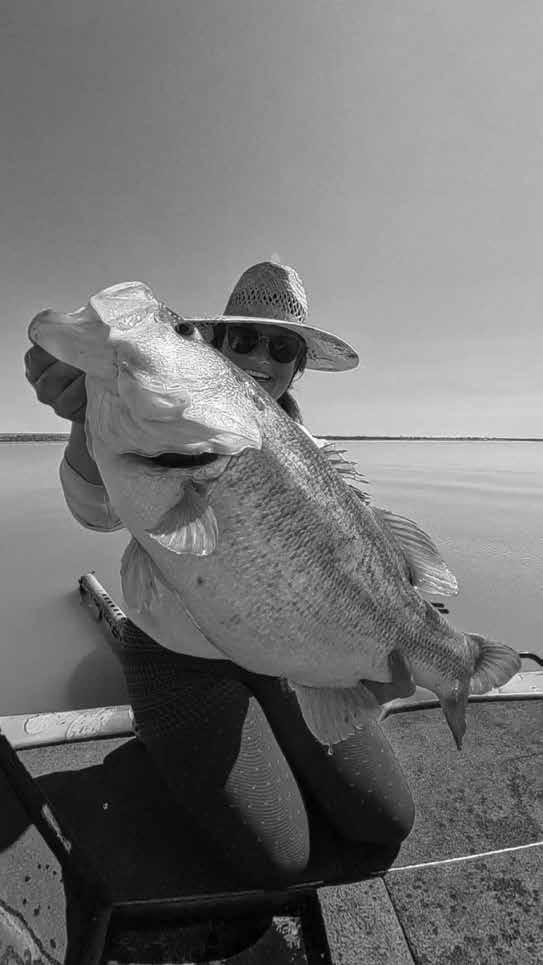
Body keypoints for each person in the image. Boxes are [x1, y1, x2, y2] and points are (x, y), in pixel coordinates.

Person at [25, 261, 415, 887]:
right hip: (178, 661)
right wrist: (85, 413)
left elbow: (360, 569)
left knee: (387, 820)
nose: (261, 357)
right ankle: (168, 745)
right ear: (215, 345)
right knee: (279, 859)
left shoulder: (312, 457)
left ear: (298, 367)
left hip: (287, 661)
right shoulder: (160, 417)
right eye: (244, 338)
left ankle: (258, 741)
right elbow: (96, 513)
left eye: (282, 347)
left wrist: (378, 657)